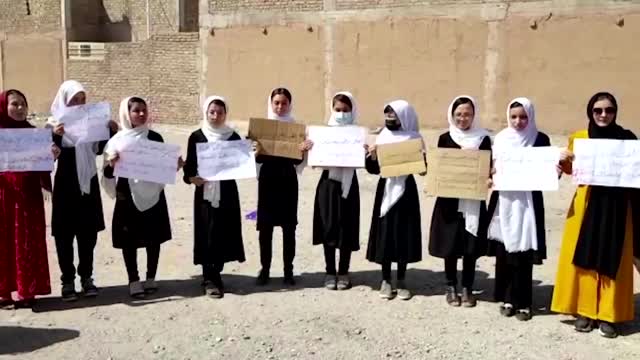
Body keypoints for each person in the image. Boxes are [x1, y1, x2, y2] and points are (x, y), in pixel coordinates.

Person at [551, 92, 639, 338]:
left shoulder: (627, 139)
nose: (603, 115)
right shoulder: (580, 139)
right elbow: (566, 170)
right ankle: (585, 311)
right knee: (585, 254)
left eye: (609, 110)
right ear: (590, 112)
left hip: (618, 208)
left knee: (615, 257)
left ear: (615, 112)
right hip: (587, 207)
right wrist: (561, 161)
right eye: (598, 110)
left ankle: (609, 315)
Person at [47, 80, 118, 301]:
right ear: (64, 101)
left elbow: (99, 151)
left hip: (88, 183)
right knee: (64, 235)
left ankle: (87, 278)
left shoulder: (90, 124)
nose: (78, 104)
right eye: (73, 100)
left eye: (82, 100)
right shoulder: (52, 125)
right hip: (65, 185)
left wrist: (110, 132)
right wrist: (56, 137)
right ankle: (67, 281)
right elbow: (45, 156)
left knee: (88, 235)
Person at [102, 97, 179, 298]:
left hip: (153, 192)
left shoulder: (155, 138)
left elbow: (163, 166)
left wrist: (175, 165)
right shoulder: (117, 141)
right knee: (129, 239)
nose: (142, 114)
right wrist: (112, 164)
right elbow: (108, 174)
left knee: (154, 236)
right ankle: (133, 280)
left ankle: (151, 277)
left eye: (144, 110)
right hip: (127, 194)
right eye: (136, 110)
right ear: (127, 114)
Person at [486, 98, 549, 321]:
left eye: (523, 116)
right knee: (505, 252)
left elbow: (547, 171)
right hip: (504, 200)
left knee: (523, 252)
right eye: (514, 116)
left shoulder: (540, 139)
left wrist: (555, 170)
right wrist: (489, 175)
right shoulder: (501, 139)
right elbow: (491, 168)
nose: (518, 121)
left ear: (530, 116)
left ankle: (524, 302)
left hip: (528, 202)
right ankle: (506, 298)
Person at [428, 95, 491, 308]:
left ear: (474, 115)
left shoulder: (483, 138)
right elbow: (439, 168)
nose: (463, 118)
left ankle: (468, 287)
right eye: (458, 114)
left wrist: (489, 174)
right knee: (450, 245)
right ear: (452, 115)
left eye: (467, 114)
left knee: (470, 246)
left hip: (473, 199)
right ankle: (451, 286)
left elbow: (489, 164)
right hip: (449, 200)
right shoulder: (445, 138)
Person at [0, 89, 61, 309]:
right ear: (4, 106)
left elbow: (40, 167)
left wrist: (50, 155)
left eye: (23, 104)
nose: (19, 109)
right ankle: (3, 293)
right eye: (14, 104)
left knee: (26, 244)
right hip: (4, 197)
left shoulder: (32, 134)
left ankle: (27, 291)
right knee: (3, 243)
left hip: (29, 199)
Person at [183, 96, 246, 298]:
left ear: (225, 114)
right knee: (206, 233)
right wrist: (193, 179)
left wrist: (250, 153)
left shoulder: (233, 137)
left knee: (223, 231)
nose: (216, 116)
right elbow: (189, 170)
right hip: (204, 194)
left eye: (220, 112)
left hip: (227, 193)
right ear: (206, 112)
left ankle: (215, 272)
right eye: (212, 112)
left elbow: (241, 165)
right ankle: (209, 277)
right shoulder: (196, 136)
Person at [365, 100, 423, 301]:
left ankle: (402, 279)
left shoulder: (415, 138)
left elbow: (423, 170)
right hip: (386, 190)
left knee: (404, 233)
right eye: (387, 113)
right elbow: (374, 170)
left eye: (394, 114)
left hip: (406, 191)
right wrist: (371, 157)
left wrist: (422, 162)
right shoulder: (382, 137)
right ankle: (386, 279)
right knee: (386, 233)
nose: (390, 117)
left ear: (404, 116)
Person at [254, 87, 311, 286]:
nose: (280, 106)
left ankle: (288, 270)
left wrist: (303, 150)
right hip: (268, 181)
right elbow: (257, 159)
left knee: (289, 229)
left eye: (284, 103)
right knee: (266, 229)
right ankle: (265, 269)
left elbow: (297, 162)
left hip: (287, 181)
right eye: (276, 102)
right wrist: (254, 148)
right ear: (271, 104)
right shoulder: (262, 128)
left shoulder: (296, 129)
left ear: (289, 104)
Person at [311, 91, 360, 290]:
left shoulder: (358, 133)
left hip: (349, 185)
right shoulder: (323, 133)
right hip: (328, 184)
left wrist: (367, 151)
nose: (341, 114)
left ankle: (344, 271)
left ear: (352, 111)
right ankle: (330, 271)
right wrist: (310, 148)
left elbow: (368, 162)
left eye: (346, 110)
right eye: (337, 110)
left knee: (347, 227)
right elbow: (312, 161)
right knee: (328, 226)